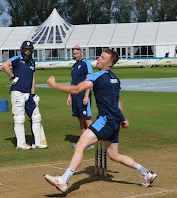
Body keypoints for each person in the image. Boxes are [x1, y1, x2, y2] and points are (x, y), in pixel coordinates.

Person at [44, 49, 157, 193]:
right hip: (114, 121)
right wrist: (123, 119)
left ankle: (63, 180)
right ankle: (146, 173)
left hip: (105, 120)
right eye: (100, 56)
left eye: (102, 58)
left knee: (81, 144)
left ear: (109, 63)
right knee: (114, 155)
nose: (98, 59)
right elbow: (117, 101)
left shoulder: (98, 75)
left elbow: (78, 88)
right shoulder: (115, 78)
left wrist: (55, 86)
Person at [2, 40, 47, 150]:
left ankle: (37, 142)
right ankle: (21, 144)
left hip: (28, 93)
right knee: (19, 118)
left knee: (36, 117)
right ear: (22, 50)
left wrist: (33, 93)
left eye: (29, 49)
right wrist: (13, 77)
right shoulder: (17, 59)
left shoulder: (32, 62)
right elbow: (5, 65)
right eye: (26, 49)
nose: (28, 51)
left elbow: (33, 78)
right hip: (17, 92)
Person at [67, 45, 93, 149]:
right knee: (80, 118)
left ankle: (91, 141)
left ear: (81, 52)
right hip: (75, 96)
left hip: (83, 95)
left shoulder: (86, 64)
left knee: (87, 118)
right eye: (74, 54)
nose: (75, 55)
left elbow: (89, 81)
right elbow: (72, 82)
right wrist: (69, 95)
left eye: (77, 53)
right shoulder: (74, 66)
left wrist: (86, 96)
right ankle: (83, 141)